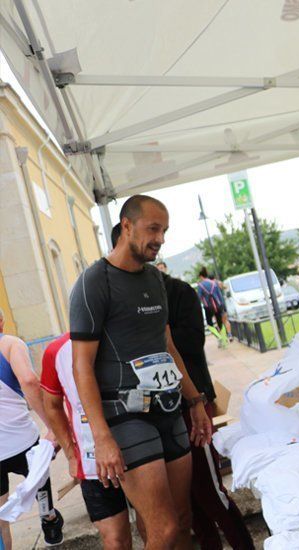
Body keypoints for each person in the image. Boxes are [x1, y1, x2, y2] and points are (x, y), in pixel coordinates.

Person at [70, 195, 213, 550]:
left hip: (168, 411)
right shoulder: (94, 282)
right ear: (127, 226)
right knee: (162, 528)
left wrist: (194, 400)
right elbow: (81, 367)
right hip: (125, 418)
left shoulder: (154, 279)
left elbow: (167, 345)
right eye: (153, 228)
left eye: (164, 230)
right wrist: (102, 438)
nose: (160, 238)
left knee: (182, 523)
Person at [158, 263, 254, 550]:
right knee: (186, 499)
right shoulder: (128, 299)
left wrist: (154, 333)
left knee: (209, 490)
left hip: (192, 404)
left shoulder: (179, 292)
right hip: (160, 414)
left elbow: (193, 340)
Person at [41, 333, 132, 549]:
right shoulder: (57, 350)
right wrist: (72, 454)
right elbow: (52, 405)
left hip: (138, 451)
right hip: (93, 464)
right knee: (115, 539)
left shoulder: (122, 332)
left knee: (153, 530)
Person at [0, 309, 63, 548]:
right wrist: (52, 425)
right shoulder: (10, 344)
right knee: (39, 479)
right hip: (21, 439)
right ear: (2, 322)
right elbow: (28, 381)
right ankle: (48, 517)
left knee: (1, 518)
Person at [197, 268, 230, 343]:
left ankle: (218, 336)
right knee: (220, 323)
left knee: (209, 324)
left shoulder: (200, 285)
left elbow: (198, 297)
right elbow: (219, 295)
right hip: (218, 305)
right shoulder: (214, 283)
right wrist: (222, 305)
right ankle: (224, 341)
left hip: (208, 307)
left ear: (201, 276)